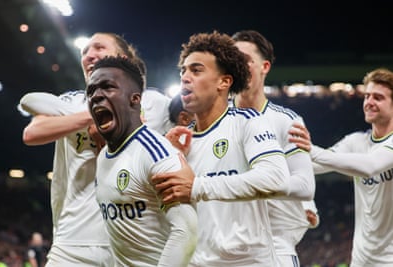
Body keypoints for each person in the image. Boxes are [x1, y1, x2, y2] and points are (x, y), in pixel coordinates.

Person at [152, 31, 293, 266]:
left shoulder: (248, 122)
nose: (185, 77)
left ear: (224, 82)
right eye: (183, 71)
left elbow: (276, 178)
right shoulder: (178, 143)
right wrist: (169, 155)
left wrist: (198, 186)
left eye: (196, 70)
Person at [19, 32, 144, 267]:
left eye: (99, 47)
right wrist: (93, 116)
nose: (89, 55)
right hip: (74, 240)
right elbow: (32, 133)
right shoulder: (70, 102)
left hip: (131, 240)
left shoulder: (151, 102)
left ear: (124, 58)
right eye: (84, 51)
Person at [86, 55, 197, 266]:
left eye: (107, 87)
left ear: (134, 99)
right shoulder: (103, 158)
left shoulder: (155, 153)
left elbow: (187, 231)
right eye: (90, 91)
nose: (96, 96)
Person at [230, 29, 319, 266]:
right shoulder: (213, 120)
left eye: (246, 60)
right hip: (223, 250)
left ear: (265, 67)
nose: (238, 66)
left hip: (274, 249)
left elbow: (304, 183)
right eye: (233, 60)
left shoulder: (287, 121)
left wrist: (241, 184)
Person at [290, 67, 393, 267]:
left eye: (378, 98)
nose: (369, 102)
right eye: (367, 96)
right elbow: (315, 165)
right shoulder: (356, 142)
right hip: (361, 259)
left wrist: (313, 149)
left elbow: (370, 166)